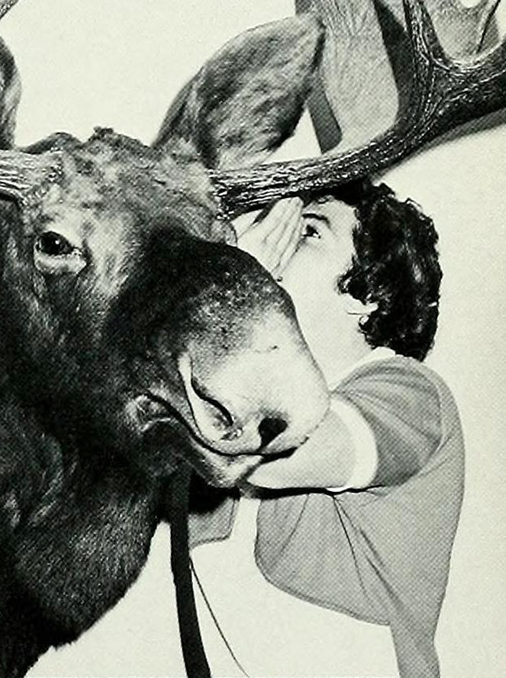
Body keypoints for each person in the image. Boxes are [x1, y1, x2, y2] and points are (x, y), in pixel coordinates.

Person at [189, 179, 464, 678]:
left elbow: (279, 452)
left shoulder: (412, 392)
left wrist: (231, 294)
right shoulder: (214, 397)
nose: (276, 242)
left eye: (308, 231)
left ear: (366, 295)